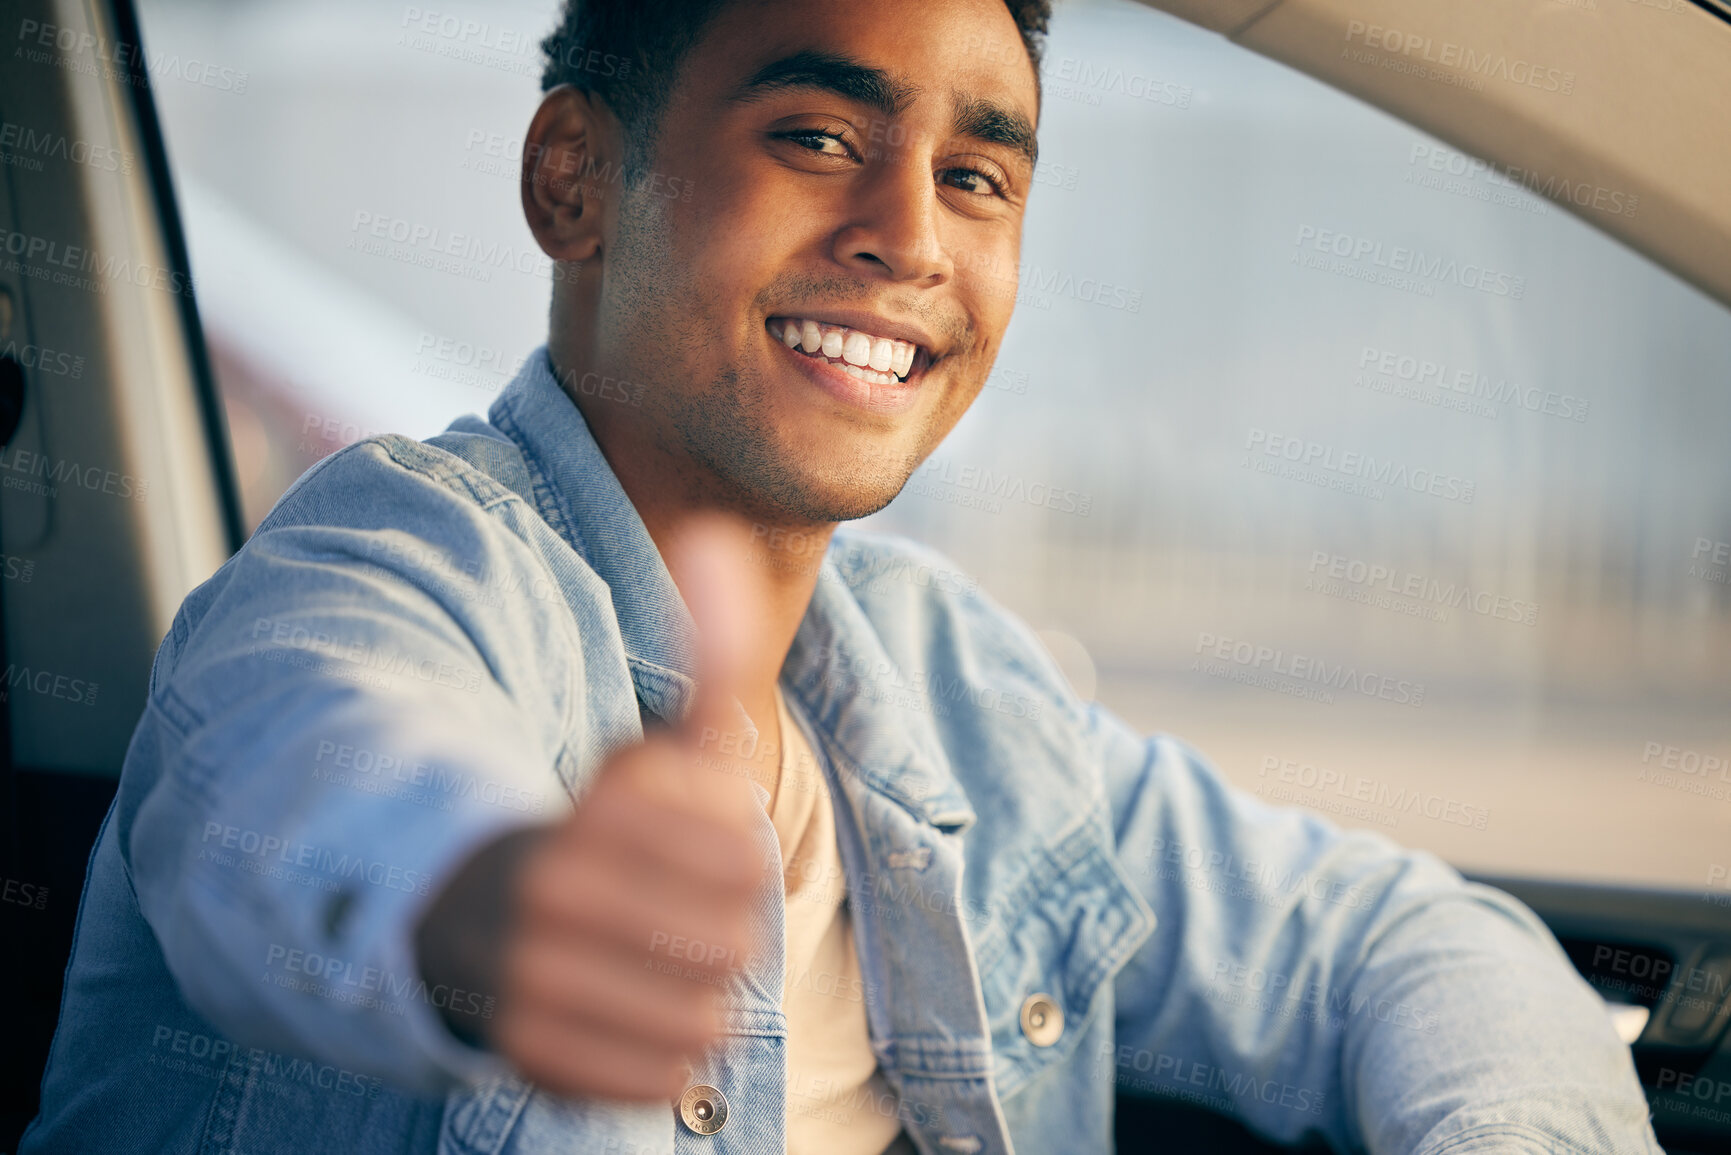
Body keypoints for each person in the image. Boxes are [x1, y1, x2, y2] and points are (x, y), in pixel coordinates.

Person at [25, 0, 1661, 1151]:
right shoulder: (387, 567)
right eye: (816, 135)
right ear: (573, 182)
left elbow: (1391, 945)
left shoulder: (963, 692)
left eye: (978, 176)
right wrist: (501, 922)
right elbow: (318, 787)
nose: (913, 235)